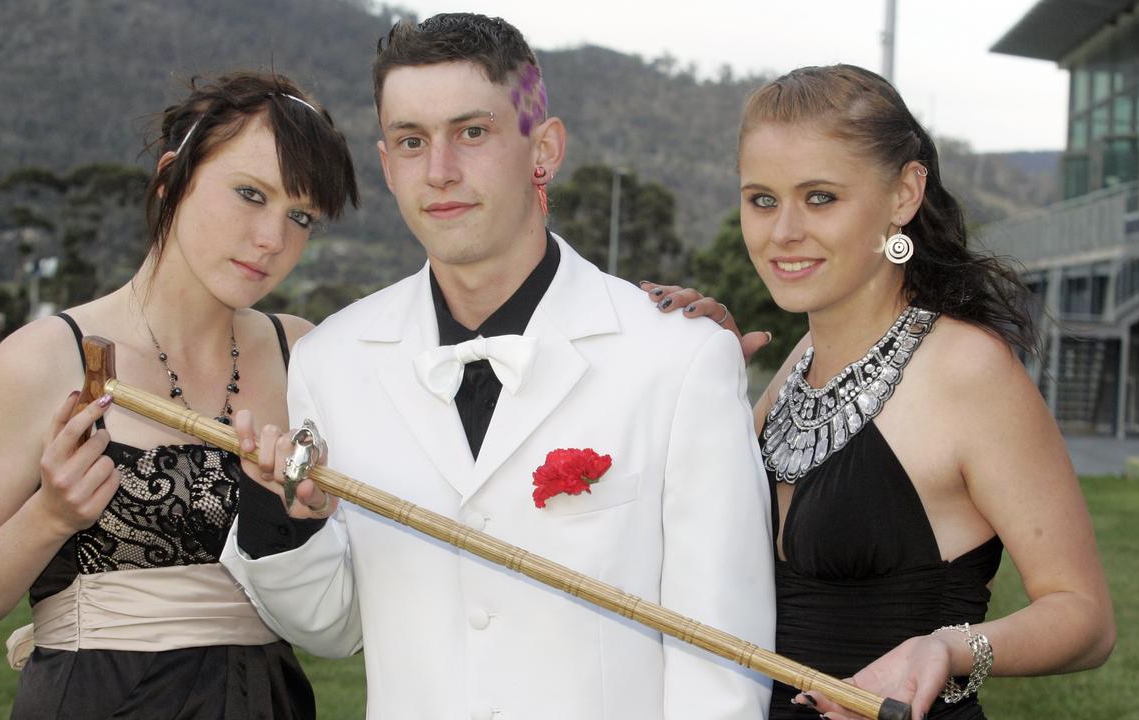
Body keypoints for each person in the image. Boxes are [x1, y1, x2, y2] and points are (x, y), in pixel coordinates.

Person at [220, 13, 776, 720]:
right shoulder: (331, 361)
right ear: (388, 165)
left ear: (544, 148)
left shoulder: (679, 358)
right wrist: (285, 523)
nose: (440, 170)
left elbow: (720, 657)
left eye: (472, 132)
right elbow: (334, 626)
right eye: (411, 142)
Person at [642, 64, 1115, 719]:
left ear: (904, 194)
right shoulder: (793, 371)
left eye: (820, 198)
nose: (782, 233)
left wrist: (944, 651)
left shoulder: (968, 371)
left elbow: (1085, 616)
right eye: (762, 199)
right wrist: (698, 375)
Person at [0, 71, 359, 719]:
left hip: (268, 703)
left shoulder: (306, 356)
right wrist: (51, 517)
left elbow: (343, 601)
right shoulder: (45, 359)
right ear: (170, 179)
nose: (273, 239)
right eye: (248, 193)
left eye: (301, 216)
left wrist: (298, 519)